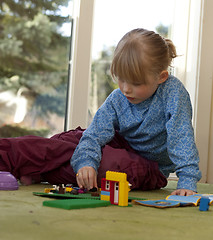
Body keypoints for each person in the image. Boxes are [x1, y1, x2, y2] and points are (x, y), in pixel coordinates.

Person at [71, 28, 202, 196]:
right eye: (121, 78)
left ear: (161, 77)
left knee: (110, 164)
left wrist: (187, 181)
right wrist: (86, 163)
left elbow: (182, 136)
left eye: (136, 83)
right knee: (73, 139)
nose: (125, 89)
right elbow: (94, 133)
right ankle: (28, 157)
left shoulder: (172, 92)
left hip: (150, 167)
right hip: (121, 147)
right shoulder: (117, 98)